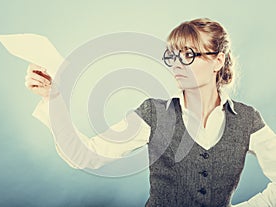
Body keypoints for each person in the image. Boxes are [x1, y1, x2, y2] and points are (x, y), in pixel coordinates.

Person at [24, 18, 276, 207]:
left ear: (218, 61)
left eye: (188, 55)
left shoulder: (247, 119)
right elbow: (85, 155)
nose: (177, 63)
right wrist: (52, 98)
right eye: (173, 56)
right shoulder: (155, 114)